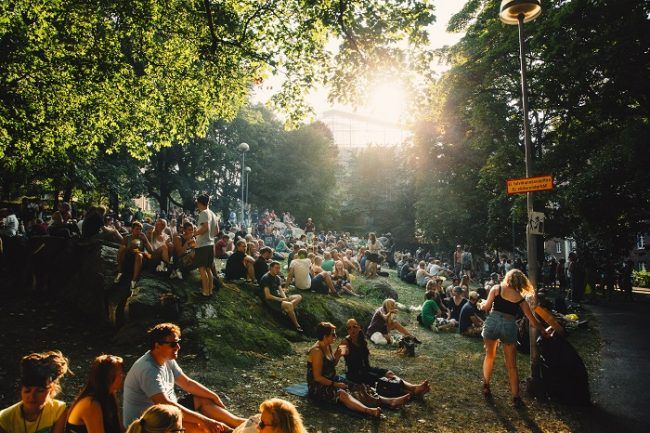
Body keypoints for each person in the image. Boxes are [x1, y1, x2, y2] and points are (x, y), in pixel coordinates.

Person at [123, 323, 245, 432]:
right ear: (157, 345)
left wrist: (213, 396)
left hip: (169, 411)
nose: (178, 347)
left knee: (203, 399)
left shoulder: (166, 358)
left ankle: (238, 423)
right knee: (200, 426)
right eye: (173, 344)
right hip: (152, 423)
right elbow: (164, 403)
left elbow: (187, 383)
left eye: (178, 342)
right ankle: (231, 431)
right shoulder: (148, 369)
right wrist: (205, 421)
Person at [307, 322, 409, 418]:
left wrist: (337, 356)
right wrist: (336, 384)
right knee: (342, 393)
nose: (336, 337)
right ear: (325, 336)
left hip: (331, 379)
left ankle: (389, 401)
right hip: (317, 386)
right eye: (333, 335)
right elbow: (318, 377)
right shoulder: (317, 351)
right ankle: (368, 410)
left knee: (357, 387)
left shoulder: (327, 346)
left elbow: (331, 366)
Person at [480, 269, 550, 407]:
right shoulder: (520, 298)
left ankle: (486, 385)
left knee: (489, 356)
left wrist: (481, 304)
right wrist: (542, 330)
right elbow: (532, 320)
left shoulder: (496, 288)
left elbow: (487, 307)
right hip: (509, 325)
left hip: (492, 322)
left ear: (508, 278)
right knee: (512, 366)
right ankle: (516, 397)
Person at [341, 319, 429, 397]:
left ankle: (412, 387)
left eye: (354, 326)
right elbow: (339, 356)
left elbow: (365, 360)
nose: (352, 329)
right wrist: (342, 353)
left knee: (389, 373)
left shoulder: (362, 340)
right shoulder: (345, 342)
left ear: (359, 328)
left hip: (367, 369)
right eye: (349, 328)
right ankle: (413, 392)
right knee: (382, 380)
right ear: (347, 331)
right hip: (355, 374)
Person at [0, 351, 69, 433]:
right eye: (27, 391)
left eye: (40, 391)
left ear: (51, 389)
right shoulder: (4, 419)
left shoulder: (59, 410)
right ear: (21, 390)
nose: (32, 397)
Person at [65, 355, 124, 433]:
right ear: (108, 377)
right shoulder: (91, 404)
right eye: (120, 373)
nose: (122, 376)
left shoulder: (109, 396)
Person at [261, 262, 303, 332]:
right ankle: (297, 325)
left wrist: (285, 298)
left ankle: (286, 311)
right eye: (276, 268)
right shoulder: (266, 278)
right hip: (271, 300)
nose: (278, 270)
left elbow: (280, 290)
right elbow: (267, 296)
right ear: (271, 268)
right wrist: (281, 299)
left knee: (298, 297)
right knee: (289, 305)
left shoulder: (277, 277)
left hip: (278, 297)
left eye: (279, 268)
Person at [115, 221, 154, 289]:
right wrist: (129, 248)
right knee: (122, 248)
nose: (138, 231)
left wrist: (146, 240)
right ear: (132, 229)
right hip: (128, 256)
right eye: (137, 229)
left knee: (138, 255)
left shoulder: (142, 238)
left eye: (140, 229)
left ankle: (134, 280)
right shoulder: (127, 237)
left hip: (139, 258)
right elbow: (122, 249)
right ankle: (120, 271)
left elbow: (151, 251)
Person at [194, 194, 219, 297]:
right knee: (208, 269)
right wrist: (210, 237)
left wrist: (194, 234)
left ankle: (205, 292)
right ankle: (210, 291)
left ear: (199, 203)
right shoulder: (213, 214)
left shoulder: (203, 213)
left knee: (202, 269)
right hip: (210, 244)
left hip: (203, 245)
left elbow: (205, 228)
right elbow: (217, 231)